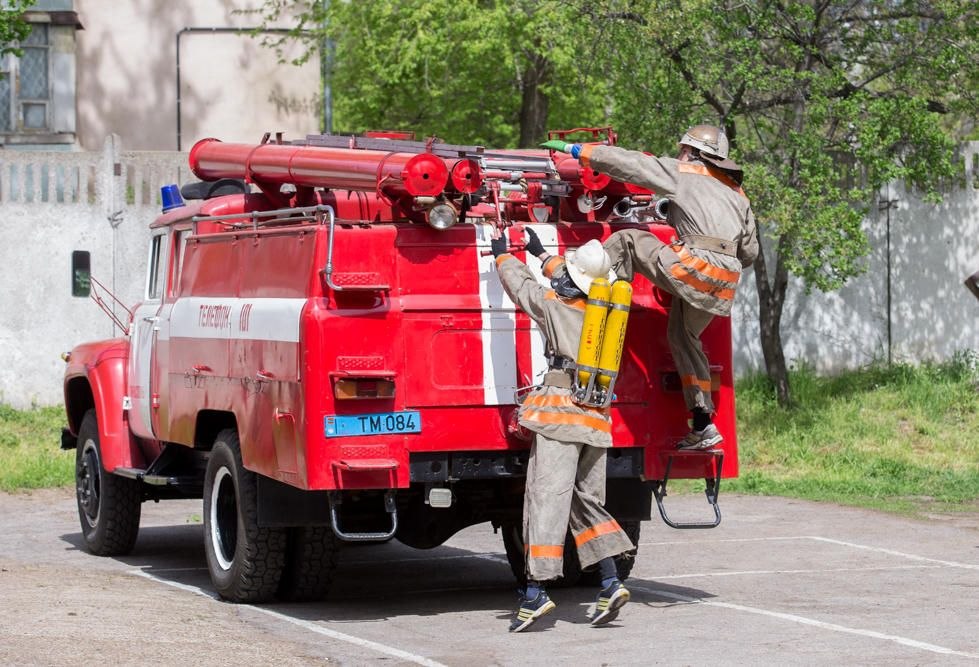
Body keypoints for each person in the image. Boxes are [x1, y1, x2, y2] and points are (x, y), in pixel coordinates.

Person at [542, 125, 758, 450]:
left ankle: (579, 290)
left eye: (683, 149)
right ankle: (703, 423)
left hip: (694, 267)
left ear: (693, 152)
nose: (679, 154)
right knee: (683, 338)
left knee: (628, 240)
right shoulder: (737, 193)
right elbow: (750, 253)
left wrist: (580, 151)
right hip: (724, 285)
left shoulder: (684, 173)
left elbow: (632, 164)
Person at [491, 228, 636, 632]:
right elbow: (568, 277)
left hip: (559, 418)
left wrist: (504, 256)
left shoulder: (555, 307)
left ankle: (535, 591)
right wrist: (542, 254)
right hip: (596, 419)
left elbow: (523, 290)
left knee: (546, 500)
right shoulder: (606, 314)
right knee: (586, 503)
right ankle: (610, 581)